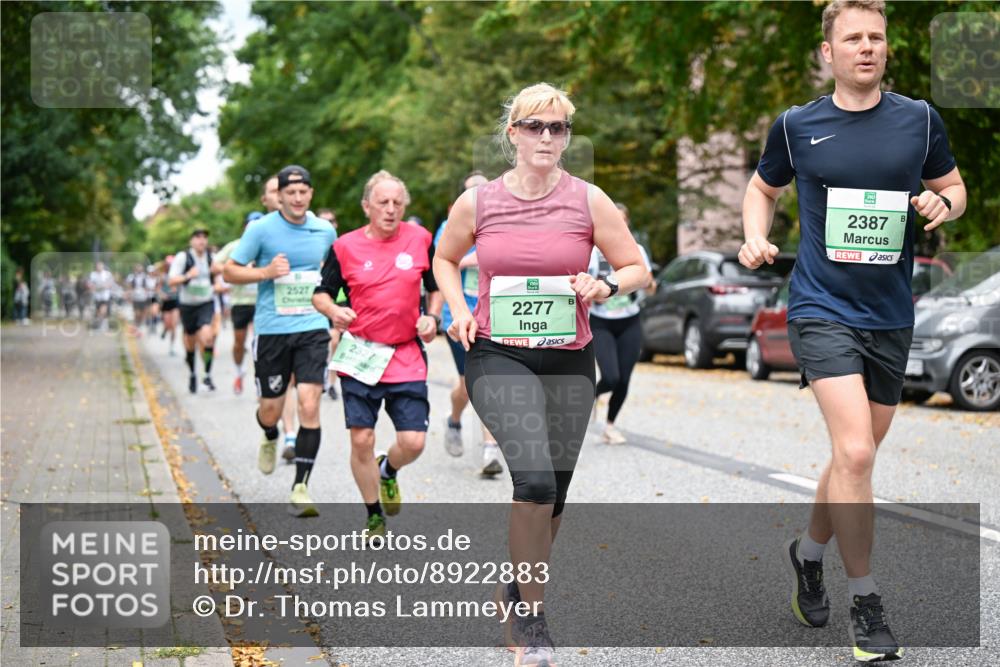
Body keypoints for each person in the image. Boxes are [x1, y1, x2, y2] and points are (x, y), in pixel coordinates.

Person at [738, 1, 966, 662]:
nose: (867, 48)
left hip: (891, 314)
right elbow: (762, 189)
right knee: (859, 453)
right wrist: (757, 235)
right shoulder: (798, 126)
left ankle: (807, 555)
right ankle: (866, 602)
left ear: (885, 48)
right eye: (853, 38)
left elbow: (955, 190)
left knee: (850, 455)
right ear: (828, 52)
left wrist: (939, 201)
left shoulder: (920, 120)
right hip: (821, 307)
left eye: (877, 37)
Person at [433, 83, 648, 666]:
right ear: (514, 134)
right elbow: (445, 257)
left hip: (570, 357)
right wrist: (456, 308)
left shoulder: (588, 200)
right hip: (499, 353)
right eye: (535, 126)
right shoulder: (479, 204)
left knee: (555, 494)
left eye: (558, 128)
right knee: (533, 483)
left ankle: (518, 584)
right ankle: (531, 616)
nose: (548, 137)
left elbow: (636, 267)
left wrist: (603, 284)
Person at [313, 169, 442, 540]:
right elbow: (322, 292)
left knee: (414, 442)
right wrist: (334, 311)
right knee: (361, 439)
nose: (390, 209)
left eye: (397, 203)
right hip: (361, 354)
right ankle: (373, 515)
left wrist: (431, 317)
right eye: (383, 202)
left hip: (404, 352)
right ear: (366, 206)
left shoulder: (420, 239)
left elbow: (435, 286)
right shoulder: (345, 246)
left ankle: (388, 470)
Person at [224, 165, 335, 517]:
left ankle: (301, 485)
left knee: (309, 404)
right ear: (280, 195)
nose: (298, 199)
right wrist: (265, 273)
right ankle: (270, 432)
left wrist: (338, 311)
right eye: (291, 193)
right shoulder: (260, 230)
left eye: (304, 193)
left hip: (313, 326)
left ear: (311, 194)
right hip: (273, 330)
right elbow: (229, 270)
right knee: (271, 408)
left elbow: (336, 273)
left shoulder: (325, 230)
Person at [434, 170, 502, 475]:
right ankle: (455, 418)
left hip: (498, 318)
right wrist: (472, 259)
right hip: (460, 318)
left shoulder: (504, 225)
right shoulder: (449, 227)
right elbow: (443, 261)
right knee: (468, 385)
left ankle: (490, 451)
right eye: (469, 191)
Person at [587, 202, 656, 444]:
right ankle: (592, 395)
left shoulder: (636, 250)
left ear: (627, 223)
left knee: (625, 378)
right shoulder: (592, 252)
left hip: (630, 320)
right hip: (601, 322)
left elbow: (649, 283)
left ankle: (610, 425)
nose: (619, 223)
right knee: (611, 376)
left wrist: (648, 283)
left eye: (623, 219)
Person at [214, 211, 263, 394]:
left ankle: (261, 377)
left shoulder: (268, 243)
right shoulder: (236, 246)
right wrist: (238, 269)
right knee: (239, 343)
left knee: (261, 342)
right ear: (245, 227)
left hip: (261, 300)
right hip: (240, 301)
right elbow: (215, 265)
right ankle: (238, 371)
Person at [168, 230, 220, 393]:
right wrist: (188, 276)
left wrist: (218, 284)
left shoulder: (211, 257)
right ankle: (192, 373)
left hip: (206, 303)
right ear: (191, 241)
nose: (202, 241)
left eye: (205, 238)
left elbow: (218, 278)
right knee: (190, 344)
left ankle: (207, 374)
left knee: (208, 337)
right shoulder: (183, 257)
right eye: (198, 238)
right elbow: (172, 281)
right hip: (187, 305)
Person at [316, 208, 342, 401]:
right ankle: (321, 374)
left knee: (334, 341)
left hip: (340, 301)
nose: (327, 225)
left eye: (330, 221)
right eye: (322, 221)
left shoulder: (344, 247)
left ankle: (331, 382)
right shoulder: (313, 248)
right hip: (316, 302)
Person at [158, 257, 180, 355]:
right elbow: (158, 288)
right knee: (168, 324)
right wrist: (162, 295)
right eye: (168, 264)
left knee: (174, 325)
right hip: (166, 302)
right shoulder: (163, 276)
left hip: (175, 302)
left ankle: (172, 347)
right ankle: (165, 330)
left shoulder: (178, 275)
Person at [125, 263, 152, 336]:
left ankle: (139, 327)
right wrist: (128, 295)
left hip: (143, 298)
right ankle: (136, 327)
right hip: (135, 298)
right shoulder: (131, 277)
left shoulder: (145, 277)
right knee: (137, 313)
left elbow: (148, 287)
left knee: (143, 313)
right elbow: (129, 286)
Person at [88, 261, 115, 330]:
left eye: (100, 266)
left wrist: (105, 286)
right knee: (98, 312)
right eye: (98, 266)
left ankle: (103, 325)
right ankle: (102, 324)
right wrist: (93, 287)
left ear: (103, 266)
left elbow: (111, 283)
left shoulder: (107, 274)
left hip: (105, 296)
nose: (99, 267)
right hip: (97, 296)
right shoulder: (93, 274)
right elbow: (90, 284)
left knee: (103, 310)